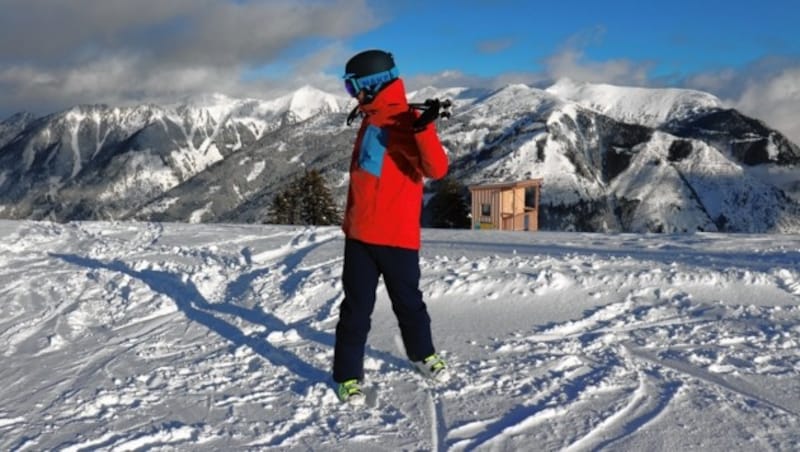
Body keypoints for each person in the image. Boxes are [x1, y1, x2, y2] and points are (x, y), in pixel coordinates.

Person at [333, 49, 450, 404]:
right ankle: (347, 376)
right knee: (355, 310)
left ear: (370, 84)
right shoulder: (370, 117)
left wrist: (424, 129)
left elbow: (436, 169)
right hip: (359, 236)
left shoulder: (404, 120)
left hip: (396, 238)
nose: (352, 96)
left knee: (409, 304)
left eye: (352, 88)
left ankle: (423, 355)